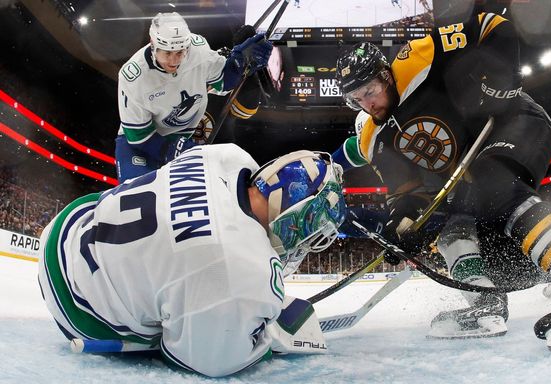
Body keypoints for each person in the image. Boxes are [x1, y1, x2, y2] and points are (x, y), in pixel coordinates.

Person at [332, 11, 551, 350]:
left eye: (369, 91)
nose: (367, 104)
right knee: (492, 255)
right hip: (471, 172)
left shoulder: (417, 58)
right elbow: (409, 192)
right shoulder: (373, 139)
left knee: (493, 185)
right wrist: (401, 226)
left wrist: (504, 71)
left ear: (385, 75)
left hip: (514, 121)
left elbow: (489, 24)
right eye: (356, 99)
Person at [37, 144, 347, 377]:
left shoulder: (226, 156)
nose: (304, 245)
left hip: (69, 223)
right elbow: (201, 361)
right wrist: (264, 333)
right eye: (310, 232)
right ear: (294, 216)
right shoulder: (241, 275)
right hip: (78, 306)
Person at [116, 12, 273, 182]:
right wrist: (177, 150)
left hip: (181, 137)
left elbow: (224, 81)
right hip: (141, 144)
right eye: (167, 53)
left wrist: (240, 60)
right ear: (153, 45)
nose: (173, 60)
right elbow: (139, 137)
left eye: (179, 52)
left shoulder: (198, 50)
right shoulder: (133, 76)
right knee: (137, 195)